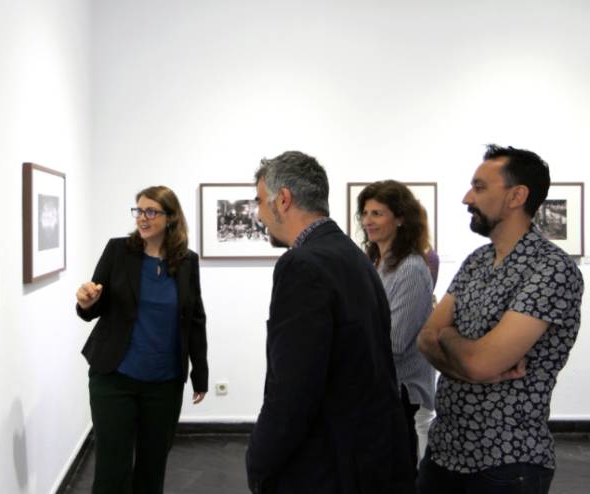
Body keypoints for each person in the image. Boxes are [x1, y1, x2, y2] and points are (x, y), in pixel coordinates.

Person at [416, 145, 583, 493]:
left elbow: (479, 363)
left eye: (479, 187)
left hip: (506, 463)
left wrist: (448, 338)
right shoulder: (477, 260)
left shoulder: (552, 269)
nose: (467, 198)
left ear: (516, 196)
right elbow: (426, 337)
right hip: (444, 452)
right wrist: (463, 356)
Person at [245, 151, 415, 494]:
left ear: (283, 199)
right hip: (366, 457)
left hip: (325, 464)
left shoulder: (302, 265)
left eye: (261, 202)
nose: (260, 214)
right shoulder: (352, 255)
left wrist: (259, 461)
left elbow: (293, 387)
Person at [75, 185, 208, 494]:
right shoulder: (118, 251)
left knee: (152, 467)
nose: (142, 218)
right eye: (139, 210)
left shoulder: (187, 261)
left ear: (170, 217)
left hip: (165, 383)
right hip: (114, 378)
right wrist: (86, 301)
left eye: (151, 211)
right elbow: (93, 304)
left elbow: (195, 319)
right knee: (111, 469)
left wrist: (200, 373)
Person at [357, 180, 435, 470]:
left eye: (377, 213)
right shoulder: (374, 263)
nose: (368, 221)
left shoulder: (411, 269)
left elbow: (395, 343)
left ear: (400, 218)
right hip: (376, 385)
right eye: (365, 213)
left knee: (397, 473)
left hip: (401, 390)